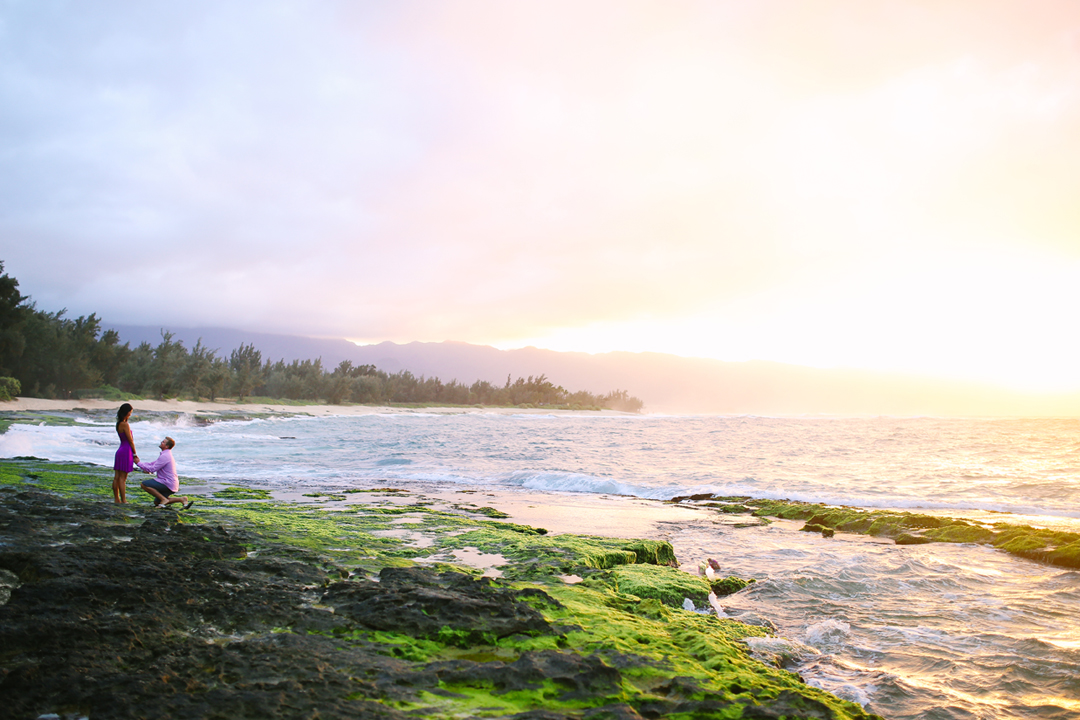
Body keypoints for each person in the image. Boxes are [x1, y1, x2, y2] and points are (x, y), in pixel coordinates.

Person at [137, 436, 193, 509]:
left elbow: (152, 469)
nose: (161, 442)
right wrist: (139, 463)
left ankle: (164, 499)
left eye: (163, 442)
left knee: (144, 484)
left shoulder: (165, 456)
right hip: (172, 484)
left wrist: (138, 463)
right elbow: (151, 464)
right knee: (157, 502)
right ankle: (181, 499)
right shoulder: (166, 455)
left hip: (167, 483)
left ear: (167, 446)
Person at [113, 403, 138, 504]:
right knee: (123, 479)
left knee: (117, 477)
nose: (130, 414)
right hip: (126, 451)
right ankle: (123, 500)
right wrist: (135, 454)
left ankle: (116, 499)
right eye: (130, 412)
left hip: (120, 450)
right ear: (127, 412)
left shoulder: (119, 424)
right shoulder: (125, 424)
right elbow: (130, 441)